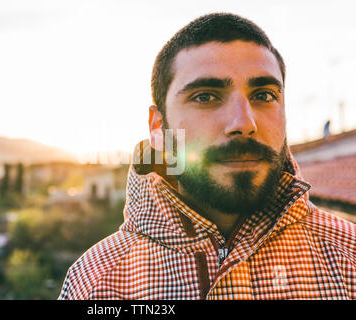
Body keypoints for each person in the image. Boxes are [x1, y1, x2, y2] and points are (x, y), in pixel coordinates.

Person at [59, 13, 355, 300]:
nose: (243, 123)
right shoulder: (96, 283)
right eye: (205, 97)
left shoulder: (348, 258)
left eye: (264, 95)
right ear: (158, 128)